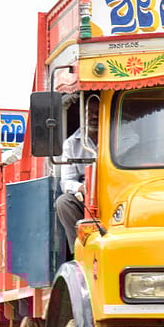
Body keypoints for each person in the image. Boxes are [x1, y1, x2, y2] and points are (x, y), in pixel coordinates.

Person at [56, 100, 98, 251]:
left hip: (118, 194)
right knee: (64, 202)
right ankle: (80, 250)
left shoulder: (127, 137)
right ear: (82, 115)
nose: (94, 117)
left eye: (98, 113)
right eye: (90, 113)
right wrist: (82, 188)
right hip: (88, 197)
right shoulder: (71, 143)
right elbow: (66, 181)